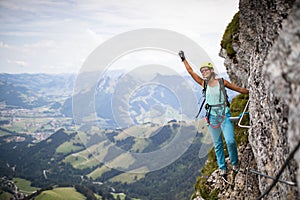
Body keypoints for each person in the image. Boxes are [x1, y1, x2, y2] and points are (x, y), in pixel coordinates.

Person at [178, 50, 249, 177]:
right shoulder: (203, 83)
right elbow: (190, 71)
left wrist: (252, 91)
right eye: (202, 71)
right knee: (217, 144)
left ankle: (235, 163)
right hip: (212, 117)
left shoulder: (222, 82)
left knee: (230, 141)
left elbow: (239, 89)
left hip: (224, 114)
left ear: (211, 71)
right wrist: (183, 59)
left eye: (206, 70)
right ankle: (222, 167)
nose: (203, 73)